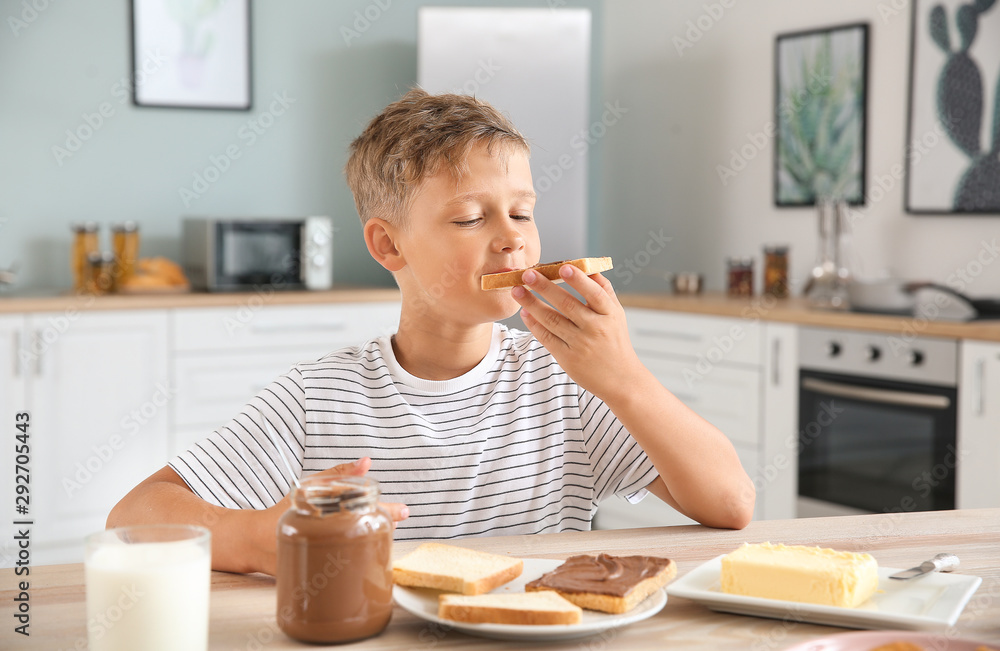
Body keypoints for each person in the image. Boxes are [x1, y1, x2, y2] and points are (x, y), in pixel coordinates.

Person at [108, 88, 754, 575]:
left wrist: (626, 379)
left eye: (523, 211)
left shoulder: (567, 383)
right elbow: (134, 516)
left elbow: (730, 503)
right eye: (471, 217)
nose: (513, 238)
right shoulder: (320, 395)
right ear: (389, 244)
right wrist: (263, 536)